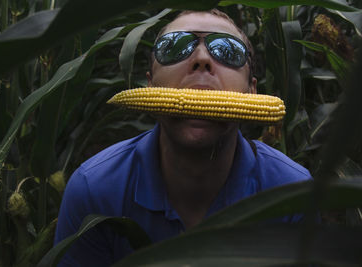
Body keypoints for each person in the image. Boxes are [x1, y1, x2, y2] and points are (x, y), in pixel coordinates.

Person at [54, 9, 312, 266]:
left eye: (227, 50)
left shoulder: (292, 194)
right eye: (175, 47)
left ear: (252, 90)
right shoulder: (95, 190)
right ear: (151, 85)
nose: (201, 58)